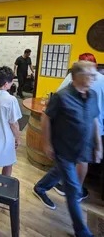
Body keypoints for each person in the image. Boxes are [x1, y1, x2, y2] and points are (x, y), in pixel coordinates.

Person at [32, 61, 102, 237]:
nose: (95, 78)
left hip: (83, 148)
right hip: (64, 148)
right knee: (72, 188)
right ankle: (81, 230)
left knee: (59, 172)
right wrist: (47, 143)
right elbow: (46, 118)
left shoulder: (92, 94)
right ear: (78, 75)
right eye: (91, 74)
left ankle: (40, 187)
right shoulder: (61, 96)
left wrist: (98, 145)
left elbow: (94, 119)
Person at [53, 53, 104, 200]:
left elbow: (58, 94)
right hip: (96, 127)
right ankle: (76, 190)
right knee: (82, 160)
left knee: (71, 158)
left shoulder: (73, 77)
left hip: (74, 125)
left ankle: (68, 187)